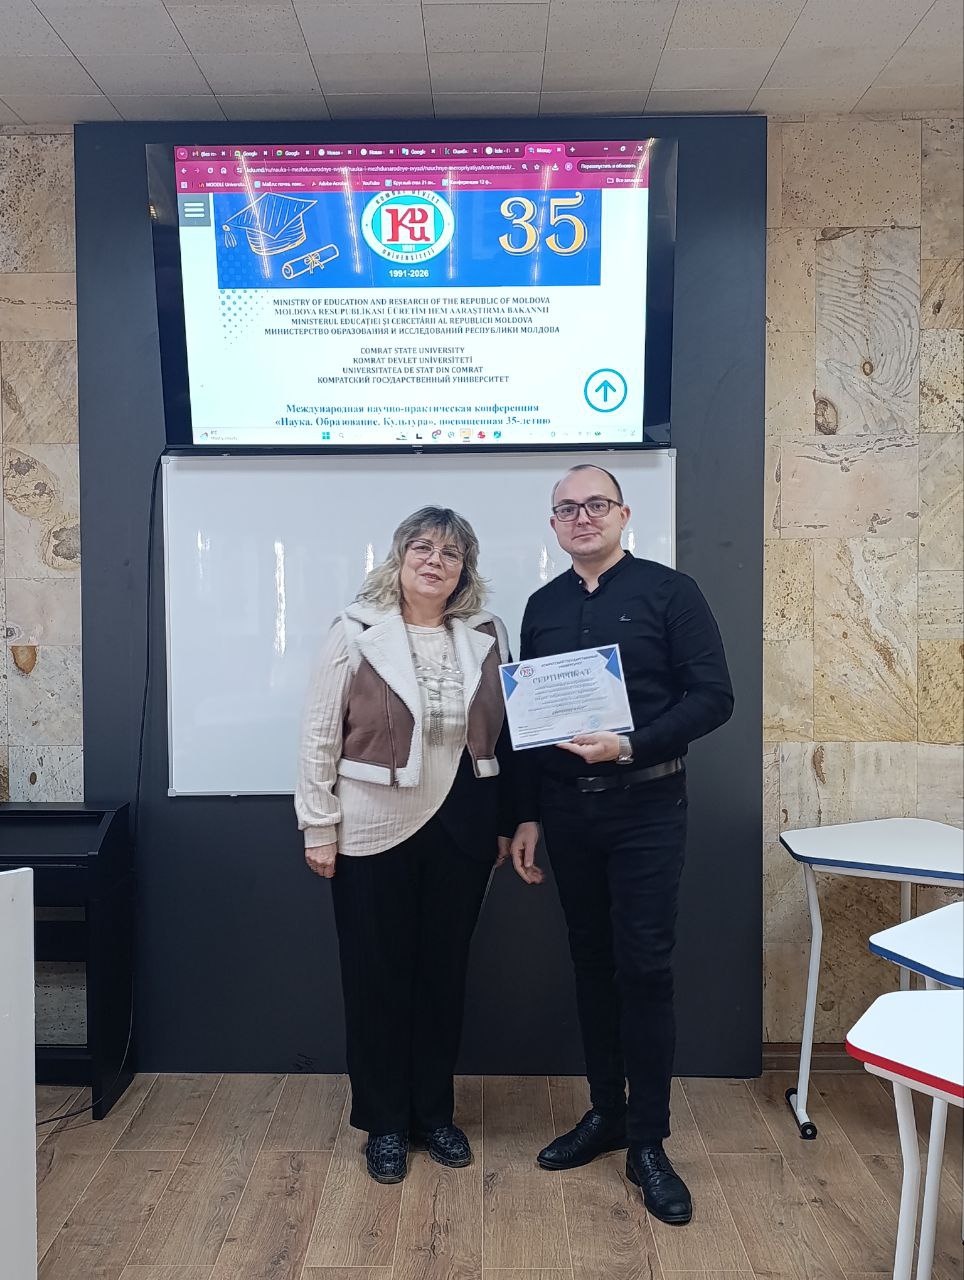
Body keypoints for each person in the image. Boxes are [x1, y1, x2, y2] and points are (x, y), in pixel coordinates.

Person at [510, 464, 733, 1225]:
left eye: (596, 504)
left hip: (647, 808)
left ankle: (649, 1141)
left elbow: (715, 697)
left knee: (644, 967)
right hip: (567, 813)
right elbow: (532, 725)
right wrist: (529, 814)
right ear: (554, 524)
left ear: (623, 513)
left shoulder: (672, 593)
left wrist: (629, 745)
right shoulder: (542, 606)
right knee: (591, 962)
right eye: (567, 508)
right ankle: (606, 1113)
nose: (583, 517)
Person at [295, 506, 514, 1185]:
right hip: (371, 830)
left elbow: (506, 736)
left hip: (462, 828)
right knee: (377, 980)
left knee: (442, 978)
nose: (434, 561)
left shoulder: (487, 633)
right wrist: (318, 825)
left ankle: (433, 1115)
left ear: (464, 570)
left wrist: (506, 821)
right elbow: (319, 733)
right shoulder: (356, 631)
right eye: (422, 547)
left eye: (450, 553)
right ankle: (385, 1123)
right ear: (399, 558)